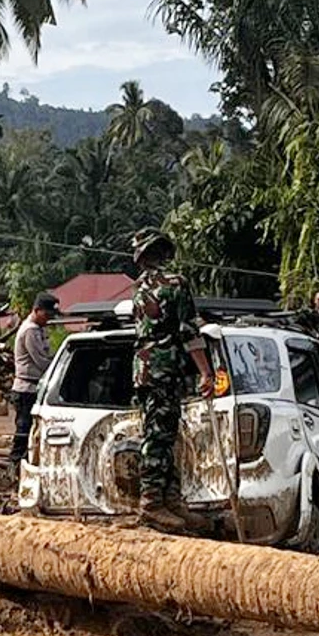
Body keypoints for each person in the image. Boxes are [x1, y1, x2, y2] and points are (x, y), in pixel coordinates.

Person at [129, 227, 212, 532]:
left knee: (164, 434)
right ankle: (152, 502)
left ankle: (170, 499)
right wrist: (205, 370)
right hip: (164, 369)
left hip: (145, 369)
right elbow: (188, 331)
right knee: (159, 437)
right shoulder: (176, 284)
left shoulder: (138, 288)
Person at [9, 292, 60, 465]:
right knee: (23, 432)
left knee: (32, 432)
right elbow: (42, 362)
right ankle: (14, 466)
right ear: (36, 310)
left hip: (33, 388)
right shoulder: (30, 330)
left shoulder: (38, 329)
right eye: (46, 315)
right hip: (26, 389)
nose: (48, 319)